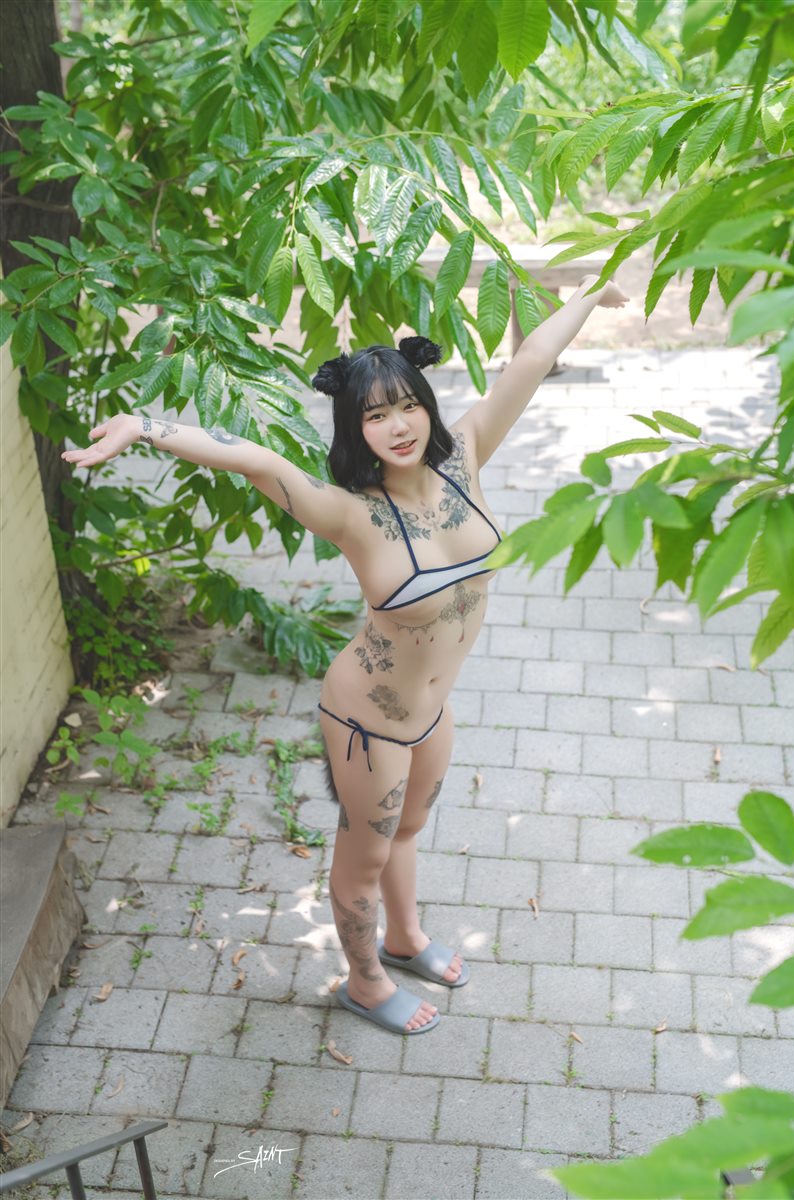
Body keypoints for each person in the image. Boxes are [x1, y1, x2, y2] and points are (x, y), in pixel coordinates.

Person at [61, 272, 629, 1036]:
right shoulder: (349, 513)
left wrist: (590, 293)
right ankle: (364, 981)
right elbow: (258, 461)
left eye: (407, 405)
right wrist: (142, 425)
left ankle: (405, 939)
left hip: (433, 712)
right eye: (375, 415)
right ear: (353, 429)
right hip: (369, 720)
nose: (397, 426)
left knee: (409, 833)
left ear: (426, 406)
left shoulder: (464, 462)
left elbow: (527, 363)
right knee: (364, 857)